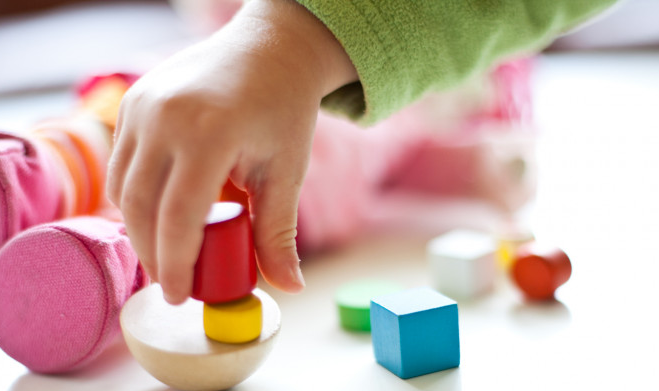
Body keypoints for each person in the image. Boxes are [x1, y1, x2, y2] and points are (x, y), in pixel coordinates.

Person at [107, 0, 618, 306]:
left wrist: (295, 40)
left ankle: (110, 267)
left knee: (302, 163)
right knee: (155, 111)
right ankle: (56, 164)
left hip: (323, 127)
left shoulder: (471, 96)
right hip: (204, 80)